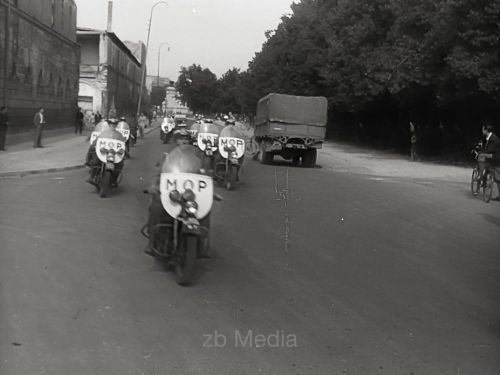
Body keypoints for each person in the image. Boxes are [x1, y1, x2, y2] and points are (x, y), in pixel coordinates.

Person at [477, 124, 500, 200]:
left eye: (483, 129)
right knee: (496, 177)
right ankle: (484, 180)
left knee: (497, 177)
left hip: (496, 158)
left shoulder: (493, 138)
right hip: (494, 157)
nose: (482, 130)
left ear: (486, 130)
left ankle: (483, 180)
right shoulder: (489, 137)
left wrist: (480, 152)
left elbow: (489, 150)